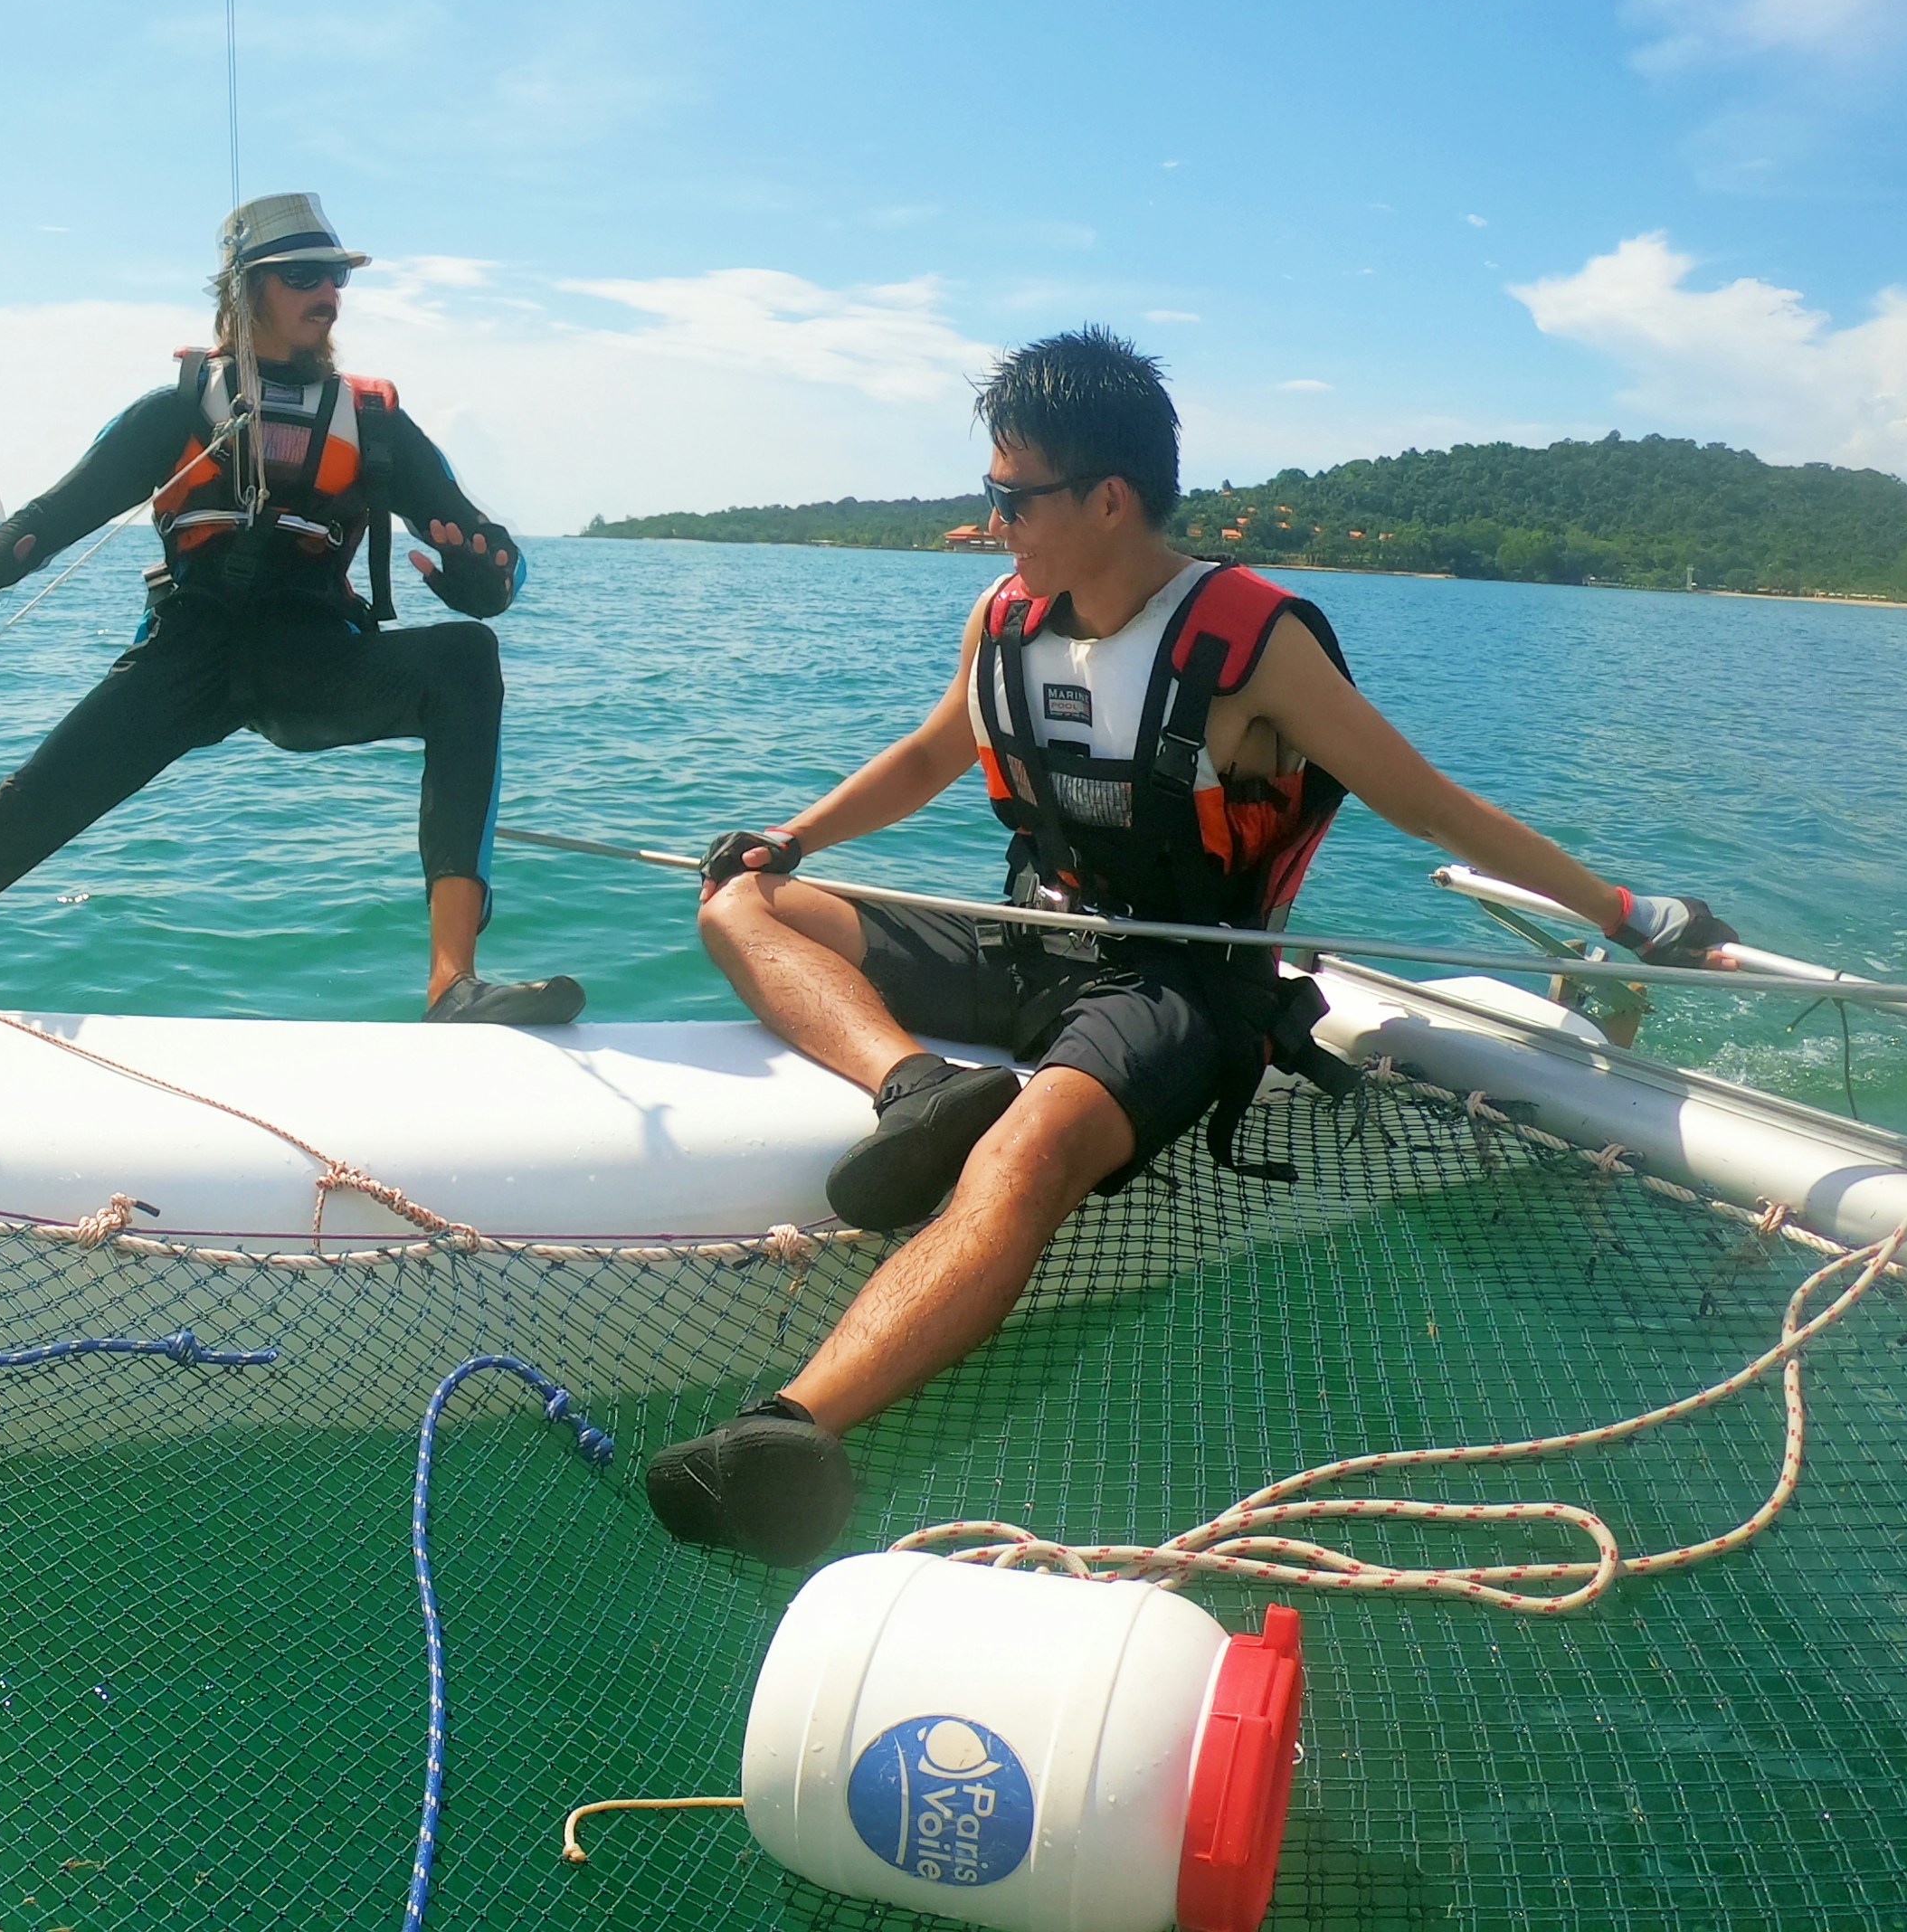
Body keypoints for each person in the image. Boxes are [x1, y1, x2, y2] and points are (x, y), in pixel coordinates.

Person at [642, 327, 1738, 1564]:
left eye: (1012, 496)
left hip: (1181, 986)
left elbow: (1430, 805)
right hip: (1029, 936)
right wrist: (789, 840)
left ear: (1106, 498)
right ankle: (916, 1087)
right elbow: (929, 755)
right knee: (742, 907)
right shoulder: (1003, 619)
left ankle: (789, 1429)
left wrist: (1625, 915)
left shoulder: (1254, 644)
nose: (993, 520)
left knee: (1035, 1144)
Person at [0, 194, 582, 1024]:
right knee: (25, 806)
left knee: (466, 657)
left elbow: (493, 557)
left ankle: (451, 985)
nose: (329, 294)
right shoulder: (174, 411)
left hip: (317, 658)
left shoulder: (374, 425)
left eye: (336, 278)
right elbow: (40, 528)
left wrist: (479, 583)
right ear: (247, 292)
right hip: (189, 650)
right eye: (305, 276)